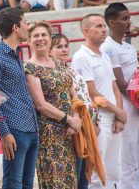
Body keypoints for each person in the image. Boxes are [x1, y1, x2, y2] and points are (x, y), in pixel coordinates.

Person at [0, 8, 38, 189]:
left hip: (30, 127)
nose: (27, 26)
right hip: (14, 130)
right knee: (13, 184)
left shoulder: (15, 53)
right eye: (25, 22)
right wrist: (5, 133)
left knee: (27, 184)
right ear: (16, 27)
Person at [71, 14, 127, 189]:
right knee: (97, 170)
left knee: (113, 169)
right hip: (98, 118)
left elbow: (114, 87)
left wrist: (119, 115)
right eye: (99, 26)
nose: (104, 30)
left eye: (104, 26)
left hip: (112, 117)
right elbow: (91, 92)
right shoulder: (81, 56)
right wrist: (119, 112)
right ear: (87, 32)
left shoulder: (104, 56)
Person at [24, 21, 82, 188]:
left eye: (44, 35)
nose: (40, 39)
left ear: (50, 39)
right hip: (50, 133)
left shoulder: (58, 64)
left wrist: (76, 119)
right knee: (54, 180)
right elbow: (41, 105)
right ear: (29, 41)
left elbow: (74, 95)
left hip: (71, 131)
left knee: (71, 180)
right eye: (35, 36)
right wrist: (68, 119)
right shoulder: (30, 68)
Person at [100, 3, 139, 189]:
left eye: (129, 18)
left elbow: (137, 77)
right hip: (125, 102)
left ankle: (136, 183)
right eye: (124, 19)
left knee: (135, 145)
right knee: (125, 149)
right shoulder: (109, 47)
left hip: (136, 102)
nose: (128, 22)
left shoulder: (128, 47)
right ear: (112, 23)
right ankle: (126, 185)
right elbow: (120, 82)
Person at [50, 34, 102, 189]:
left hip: (86, 128)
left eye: (66, 45)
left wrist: (95, 121)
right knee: (73, 175)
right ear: (49, 51)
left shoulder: (74, 72)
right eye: (59, 46)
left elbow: (86, 98)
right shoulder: (52, 75)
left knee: (84, 176)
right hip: (69, 129)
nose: (64, 49)